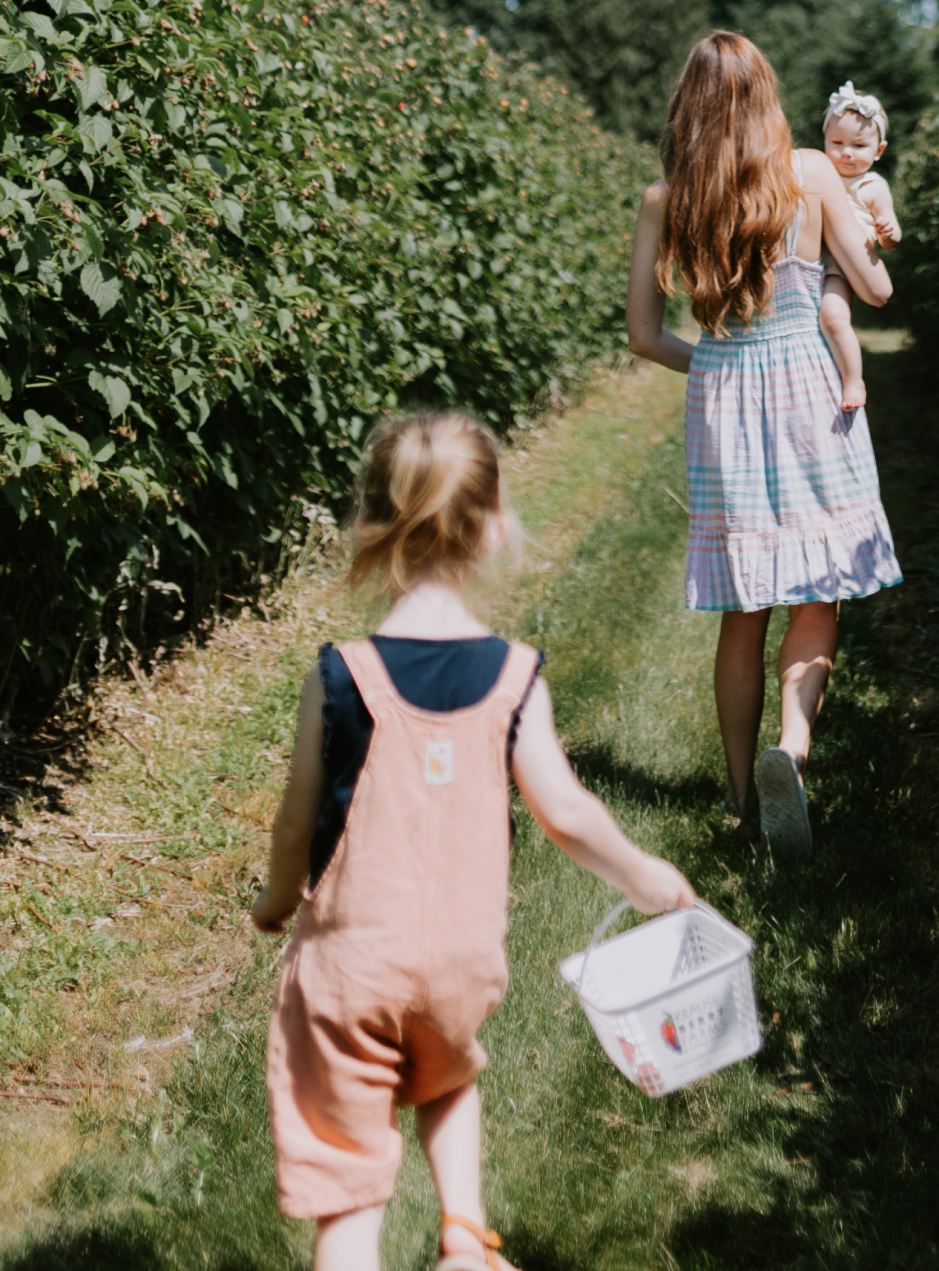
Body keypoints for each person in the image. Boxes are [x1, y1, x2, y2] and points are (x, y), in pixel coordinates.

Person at [251, 412, 695, 1271]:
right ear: (494, 527)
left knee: (349, 1190)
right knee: (448, 1075)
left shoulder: (340, 675)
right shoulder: (514, 675)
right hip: (458, 964)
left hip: (354, 969)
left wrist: (276, 901)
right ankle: (464, 1235)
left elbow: (296, 822)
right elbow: (564, 810)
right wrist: (643, 877)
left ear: (372, 525)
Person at [626, 31, 900, 865]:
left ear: (690, 105)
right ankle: (796, 748)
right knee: (819, 592)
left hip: (725, 401)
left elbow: (643, 336)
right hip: (809, 393)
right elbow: (876, 289)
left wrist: (711, 359)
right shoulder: (813, 173)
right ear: (767, 99)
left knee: (745, 607)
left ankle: (743, 794)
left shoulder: (664, 199)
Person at [816, 80, 902, 413]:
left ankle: (854, 380)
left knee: (834, 316)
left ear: (878, 150)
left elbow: (892, 239)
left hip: (843, 262)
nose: (846, 152)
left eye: (859, 145)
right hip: (809, 253)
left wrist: (888, 231)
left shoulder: (872, 186)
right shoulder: (818, 172)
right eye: (836, 142)